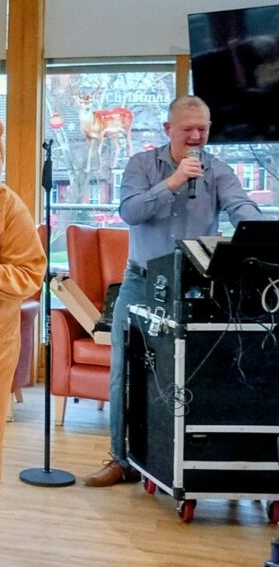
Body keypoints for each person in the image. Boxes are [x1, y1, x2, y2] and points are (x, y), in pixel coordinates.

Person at [84, 95, 262, 487]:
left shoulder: (219, 170)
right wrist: (174, 181)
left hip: (196, 287)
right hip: (141, 282)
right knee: (123, 370)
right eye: (188, 129)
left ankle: (182, 461)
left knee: (197, 370)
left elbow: (241, 207)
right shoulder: (141, 165)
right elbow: (130, 212)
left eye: (203, 129)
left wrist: (260, 232)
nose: (197, 137)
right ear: (168, 130)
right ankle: (121, 459)